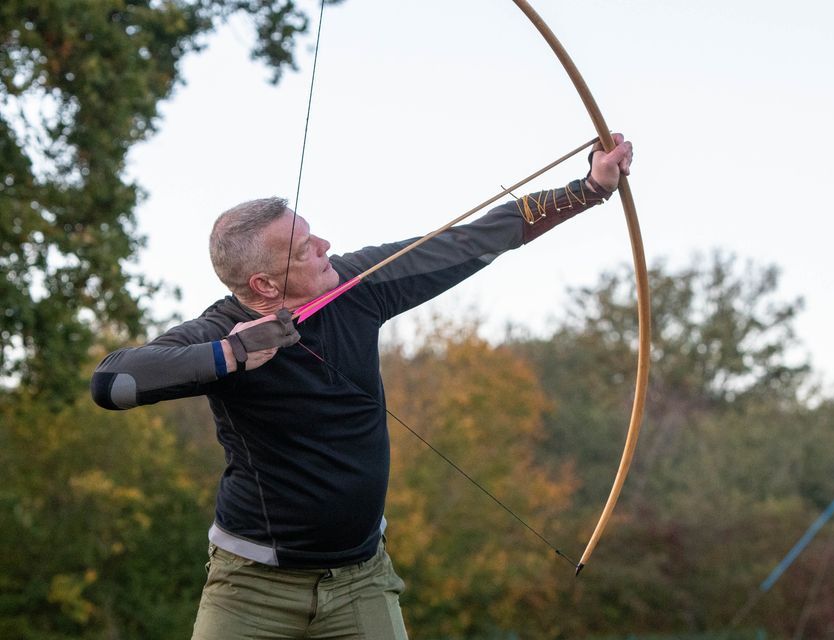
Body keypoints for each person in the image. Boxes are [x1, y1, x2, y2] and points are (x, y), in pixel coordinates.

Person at [91, 135, 633, 639]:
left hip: (360, 580)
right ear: (263, 284)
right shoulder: (217, 332)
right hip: (248, 587)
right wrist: (230, 354)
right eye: (304, 248)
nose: (326, 244)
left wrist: (588, 190)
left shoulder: (353, 285)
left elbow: (465, 242)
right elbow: (113, 380)